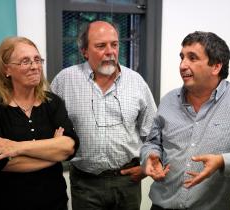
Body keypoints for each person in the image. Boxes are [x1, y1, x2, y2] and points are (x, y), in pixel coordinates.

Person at [140, 31, 230, 210]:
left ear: (216, 66)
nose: (182, 65)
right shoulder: (168, 100)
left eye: (192, 58)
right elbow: (152, 143)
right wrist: (149, 157)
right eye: (182, 57)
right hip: (161, 206)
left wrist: (224, 161)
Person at [51, 20, 157, 210]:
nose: (110, 51)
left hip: (128, 181)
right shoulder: (65, 80)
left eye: (114, 45)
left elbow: (153, 133)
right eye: (101, 46)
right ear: (84, 51)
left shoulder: (136, 82)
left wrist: (145, 166)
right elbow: (50, 126)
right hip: (85, 183)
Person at [0, 36, 80, 210]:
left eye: (37, 60)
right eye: (25, 61)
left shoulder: (52, 102)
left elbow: (69, 147)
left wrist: (17, 147)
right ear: (6, 69)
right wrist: (53, 152)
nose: (34, 66)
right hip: (5, 202)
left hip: (54, 202)